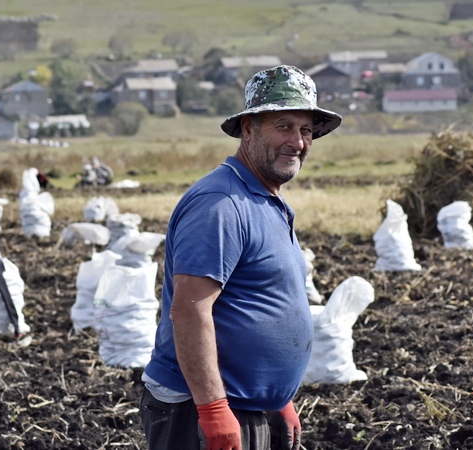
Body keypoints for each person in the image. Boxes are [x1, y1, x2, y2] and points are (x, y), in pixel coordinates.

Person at [140, 65, 342, 450]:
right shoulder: (220, 204)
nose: (298, 142)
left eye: (306, 131)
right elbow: (189, 311)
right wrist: (213, 409)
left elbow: (262, 299)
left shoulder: (268, 199)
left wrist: (277, 398)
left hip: (250, 406)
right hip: (199, 410)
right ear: (248, 129)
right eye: (284, 126)